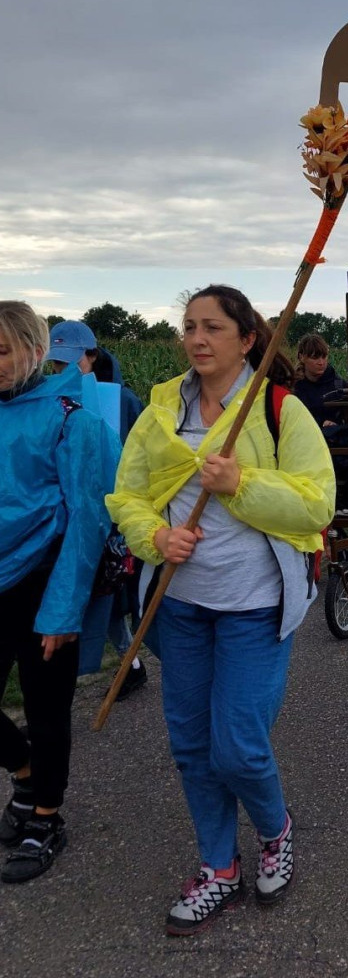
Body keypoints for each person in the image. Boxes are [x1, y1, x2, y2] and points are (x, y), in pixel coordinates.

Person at [106, 284, 335, 936]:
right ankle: (219, 867)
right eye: (189, 327)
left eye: (212, 327)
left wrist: (241, 484)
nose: (197, 339)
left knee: (237, 749)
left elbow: (317, 505)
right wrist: (156, 537)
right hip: (180, 608)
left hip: (253, 609)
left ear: (247, 338)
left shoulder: (279, 410)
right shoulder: (161, 409)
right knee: (191, 746)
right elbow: (127, 496)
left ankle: (275, 829)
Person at [0, 301, 120, 883]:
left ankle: (46, 815)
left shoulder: (72, 416)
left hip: (45, 578)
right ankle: (24, 772)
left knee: (46, 709)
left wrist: (63, 609)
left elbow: (89, 518)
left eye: (2, 350)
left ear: (34, 350)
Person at [46, 320, 147, 699]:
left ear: (92, 355)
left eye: (70, 361)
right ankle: (127, 663)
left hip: (114, 519)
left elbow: (141, 459)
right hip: (70, 518)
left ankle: (127, 663)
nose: (63, 371)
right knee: (91, 596)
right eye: (56, 364)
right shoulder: (52, 402)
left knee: (107, 595)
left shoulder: (123, 401)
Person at [292, 332, 347, 430]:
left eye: (324, 357)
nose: (321, 362)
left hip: (337, 437)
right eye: (315, 357)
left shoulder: (340, 385)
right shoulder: (293, 387)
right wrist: (321, 423)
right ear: (301, 357)